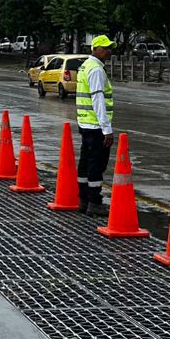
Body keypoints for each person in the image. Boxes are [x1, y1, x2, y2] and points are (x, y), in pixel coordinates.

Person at [76, 35, 116, 214]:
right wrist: (107, 129)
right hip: (96, 126)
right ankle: (94, 202)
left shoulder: (85, 66)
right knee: (96, 164)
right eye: (105, 48)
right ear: (95, 49)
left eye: (109, 48)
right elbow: (98, 99)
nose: (108, 51)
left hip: (85, 123)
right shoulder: (96, 70)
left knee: (85, 162)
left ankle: (83, 200)